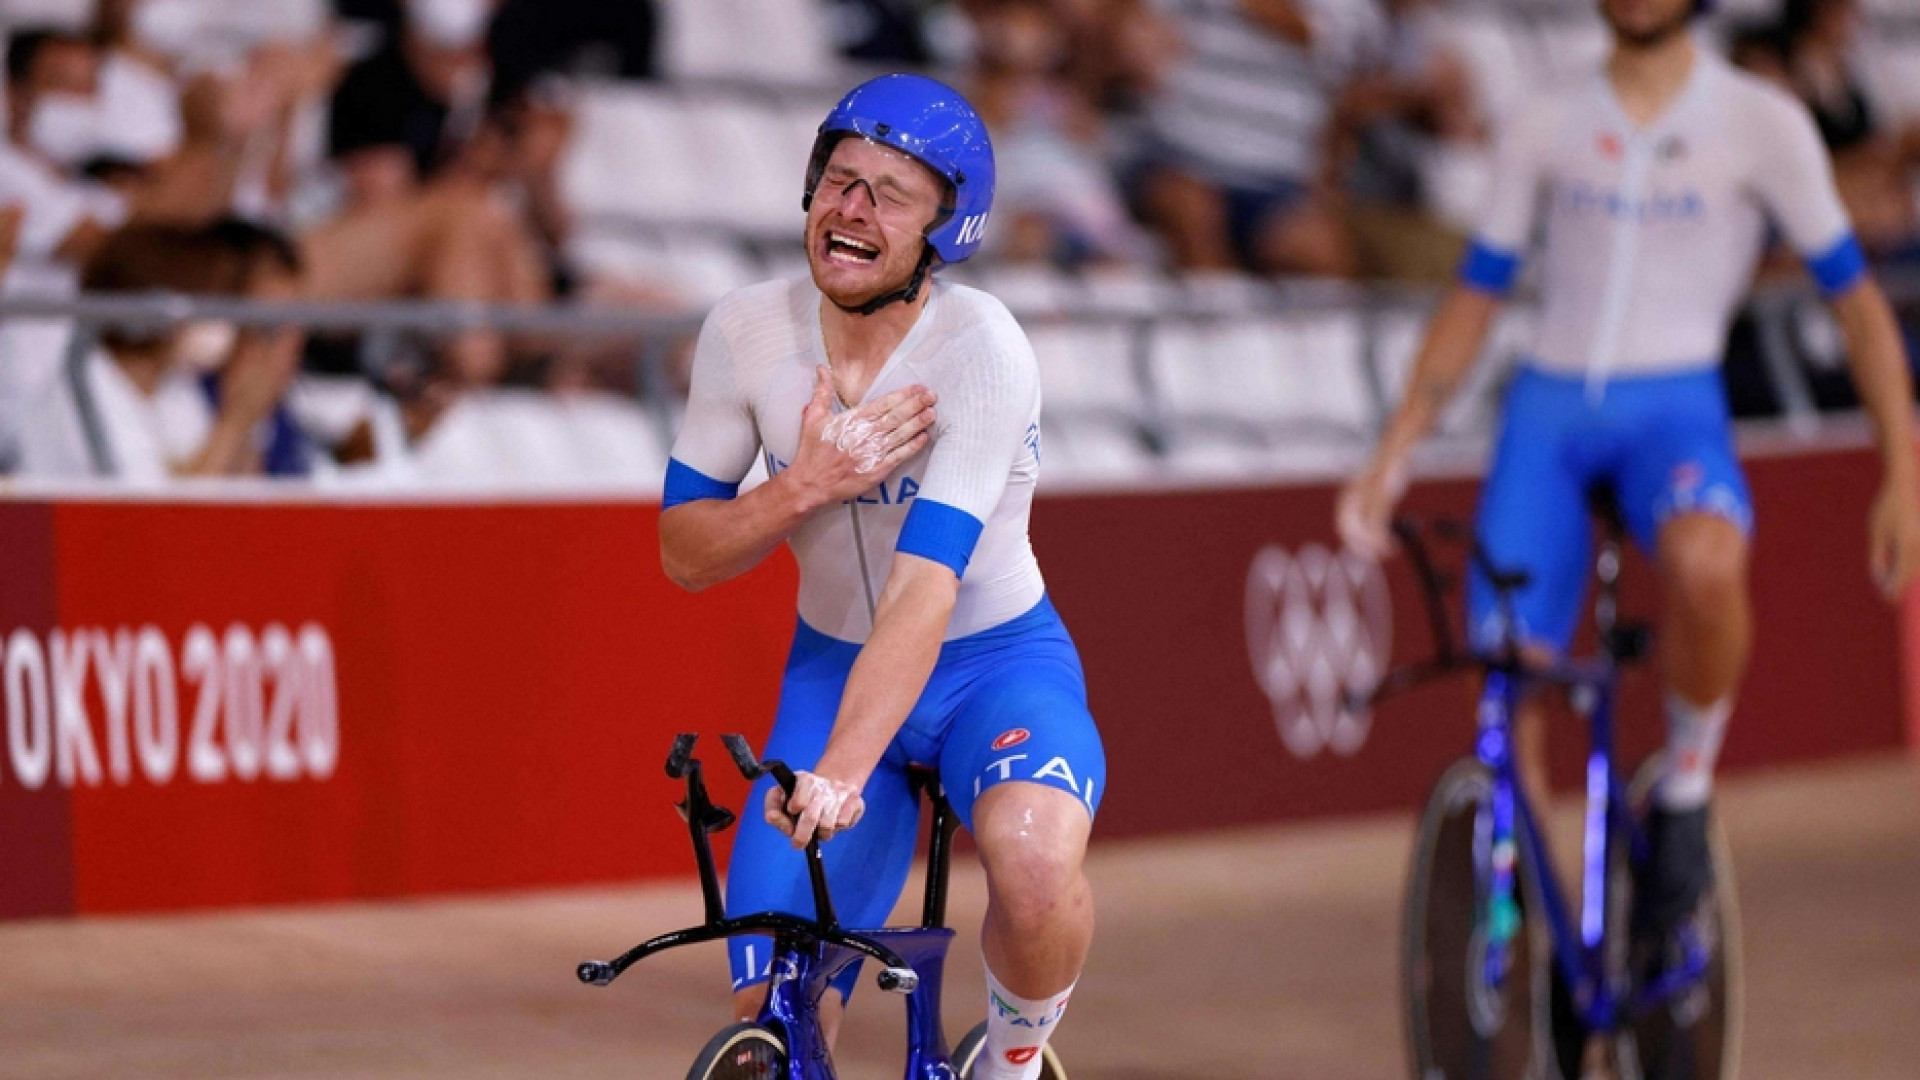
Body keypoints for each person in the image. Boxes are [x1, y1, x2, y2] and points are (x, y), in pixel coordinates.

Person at [1336, 0, 1920, 982]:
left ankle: (1686, 787)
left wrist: (1902, 469)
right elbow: (1476, 293)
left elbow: (1859, 308)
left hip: (1675, 411)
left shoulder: (1759, 121)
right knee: (1507, 676)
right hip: (1548, 416)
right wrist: (1393, 448)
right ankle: (1536, 933)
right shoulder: (1544, 116)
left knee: (1708, 557)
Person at [659, 74, 1103, 1080]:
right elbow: (685, 554)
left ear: (945, 231)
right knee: (775, 1006)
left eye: (888, 194)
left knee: (1033, 867)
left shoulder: (980, 350)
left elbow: (925, 587)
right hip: (834, 664)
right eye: (839, 181)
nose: (851, 209)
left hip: (991, 664)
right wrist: (802, 486)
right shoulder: (745, 332)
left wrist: (842, 773)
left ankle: (1015, 1060)